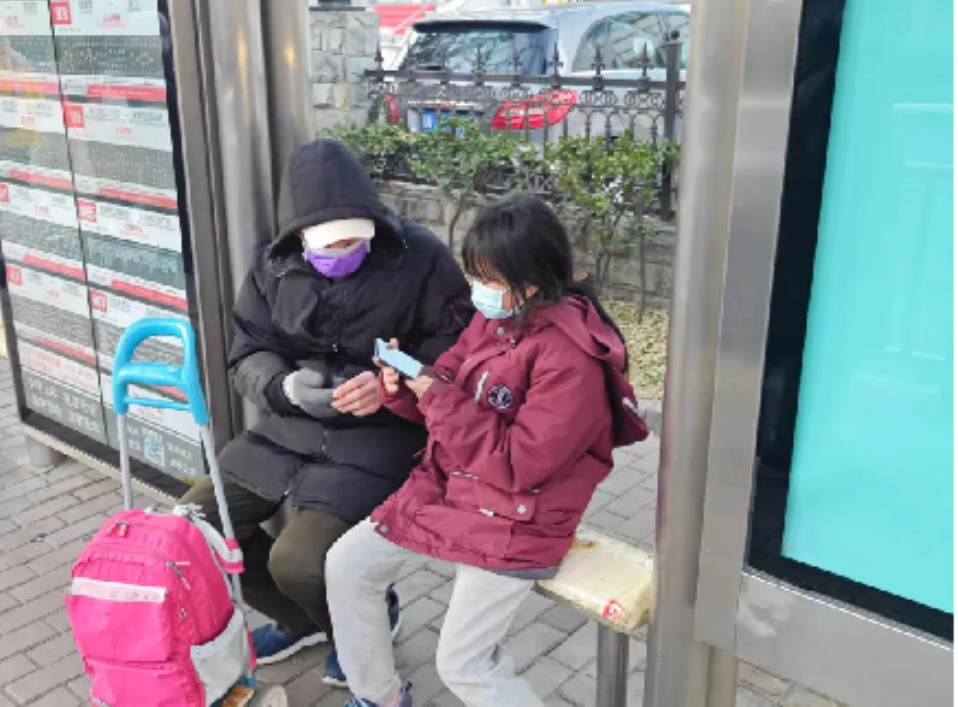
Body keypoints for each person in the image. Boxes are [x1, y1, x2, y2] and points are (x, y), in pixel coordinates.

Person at [325, 195, 649, 707]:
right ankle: (378, 697)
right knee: (347, 566)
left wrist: (438, 399)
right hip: (456, 489)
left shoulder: (572, 360)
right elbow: (448, 382)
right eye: (475, 274)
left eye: (489, 279)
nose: (479, 290)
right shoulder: (496, 320)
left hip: (518, 516)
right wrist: (403, 383)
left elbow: (520, 464)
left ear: (532, 281)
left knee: (464, 664)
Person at [179, 139, 472, 687]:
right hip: (289, 427)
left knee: (299, 560)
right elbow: (248, 352)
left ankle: (359, 629)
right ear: (298, 238)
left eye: (355, 240)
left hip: (383, 434)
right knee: (196, 527)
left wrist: (391, 385)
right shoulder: (273, 266)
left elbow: (458, 351)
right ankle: (304, 621)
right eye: (329, 244)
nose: (344, 252)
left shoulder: (420, 257)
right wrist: (286, 387)